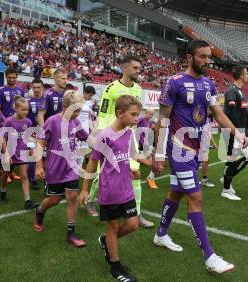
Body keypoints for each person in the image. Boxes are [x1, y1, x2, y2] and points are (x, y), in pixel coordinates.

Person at [152, 40, 247, 274]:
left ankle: (160, 234)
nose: (207, 61)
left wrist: (237, 132)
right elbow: (163, 119)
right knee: (195, 197)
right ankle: (210, 257)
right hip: (178, 147)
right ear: (189, 57)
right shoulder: (174, 83)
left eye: (208, 57)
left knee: (176, 192)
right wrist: (159, 153)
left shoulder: (209, 84)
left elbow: (217, 113)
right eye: (202, 57)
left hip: (196, 150)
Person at [78, 95, 151, 282]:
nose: (137, 118)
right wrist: (85, 189)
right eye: (133, 115)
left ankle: (106, 241)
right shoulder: (105, 136)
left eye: (138, 115)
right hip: (109, 190)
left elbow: (130, 154)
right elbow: (92, 162)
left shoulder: (128, 132)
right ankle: (115, 266)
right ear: (120, 113)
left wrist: (146, 163)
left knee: (132, 224)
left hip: (126, 188)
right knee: (113, 226)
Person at [86, 55, 154, 228]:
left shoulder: (138, 89)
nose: (138, 71)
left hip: (129, 138)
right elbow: (103, 114)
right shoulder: (111, 88)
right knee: (104, 174)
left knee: (136, 175)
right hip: (111, 140)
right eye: (135, 68)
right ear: (124, 68)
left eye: (139, 68)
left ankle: (137, 213)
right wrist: (99, 138)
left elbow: (135, 115)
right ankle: (90, 199)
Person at [33, 90, 89, 247]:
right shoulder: (52, 121)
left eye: (79, 110)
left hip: (71, 168)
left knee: (72, 197)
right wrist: (38, 165)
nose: (78, 113)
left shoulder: (75, 122)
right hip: (54, 168)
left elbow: (87, 138)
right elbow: (40, 143)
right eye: (75, 110)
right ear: (64, 106)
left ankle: (71, 233)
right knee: (55, 200)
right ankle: (40, 211)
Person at [0, 96, 39, 209]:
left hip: (22, 152)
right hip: (10, 151)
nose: (26, 112)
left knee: (24, 177)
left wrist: (31, 147)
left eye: (27, 109)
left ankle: (27, 201)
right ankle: (3, 191)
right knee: (5, 174)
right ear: (16, 108)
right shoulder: (9, 121)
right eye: (23, 109)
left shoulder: (28, 121)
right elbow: (3, 137)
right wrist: (6, 153)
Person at [221, 66, 248, 201]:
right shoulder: (232, 91)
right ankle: (226, 189)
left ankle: (227, 179)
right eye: (246, 73)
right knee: (234, 158)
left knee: (244, 157)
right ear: (240, 75)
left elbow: (244, 114)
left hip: (240, 131)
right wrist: (239, 132)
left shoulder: (240, 92)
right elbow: (231, 113)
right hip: (232, 131)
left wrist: (247, 131)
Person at [26, 78, 46, 189]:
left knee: (43, 156)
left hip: (43, 132)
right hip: (31, 132)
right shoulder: (28, 101)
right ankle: (32, 178)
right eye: (34, 87)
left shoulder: (46, 101)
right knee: (32, 155)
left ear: (42, 88)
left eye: (39, 87)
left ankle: (44, 176)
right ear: (32, 88)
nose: (37, 89)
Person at [76, 85, 96, 168]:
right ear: (84, 93)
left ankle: (79, 168)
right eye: (89, 95)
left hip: (86, 129)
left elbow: (90, 116)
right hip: (76, 129)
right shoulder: (77, 100)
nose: (90, 97)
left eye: (91, 95)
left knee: (84, 150)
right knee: (76, 150)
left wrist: (92, 129)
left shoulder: (91, 102)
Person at [200, 108, 218, 188]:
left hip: (205, 143)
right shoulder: (200, 118)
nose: (211, 112)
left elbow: (209, 133)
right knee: (204, 161)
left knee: (204, 161)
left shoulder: (208, 120)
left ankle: (202, 179)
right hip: (200, 143)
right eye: (209, 110)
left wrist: (213, 143)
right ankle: (204, 180)